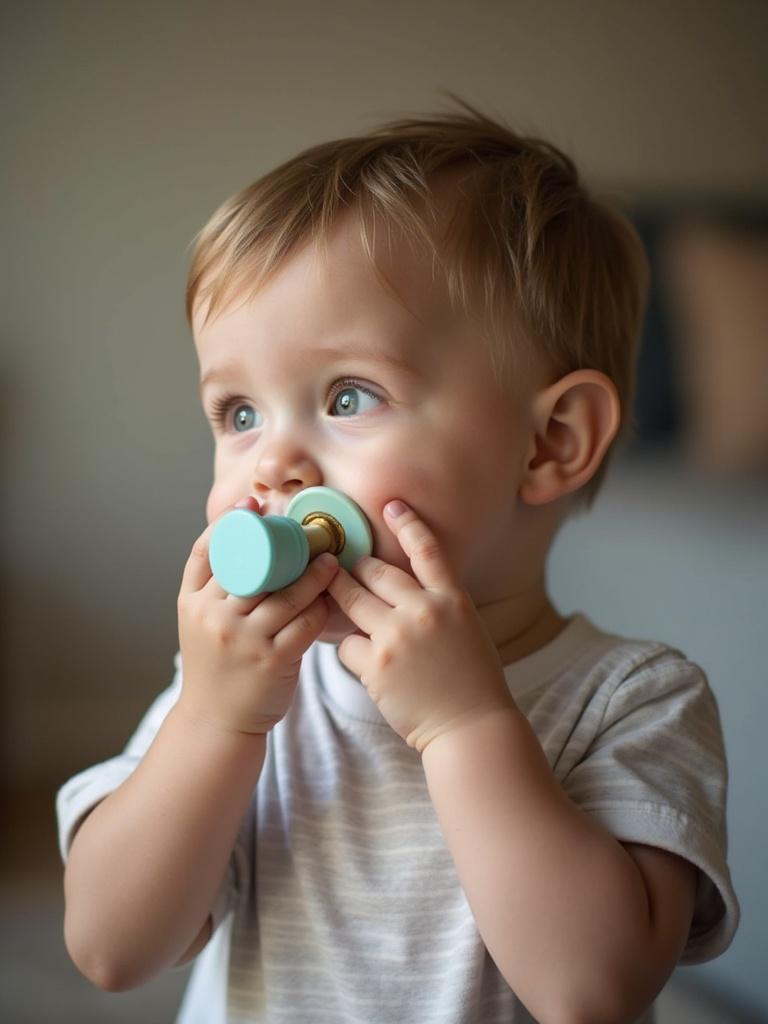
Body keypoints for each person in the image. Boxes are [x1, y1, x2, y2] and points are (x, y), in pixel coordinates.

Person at [57, 100, 739, 1024]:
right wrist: (215, 724)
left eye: (348, 395)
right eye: (239, 413)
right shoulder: (234, 691)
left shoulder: (635, 700)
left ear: (549, 445)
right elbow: (110, 947)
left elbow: (593, 991)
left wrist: (462, 723)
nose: (271, 465)